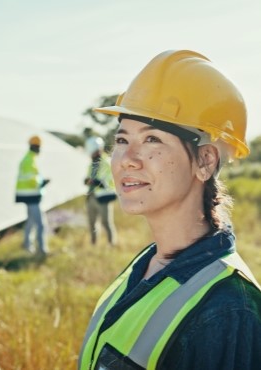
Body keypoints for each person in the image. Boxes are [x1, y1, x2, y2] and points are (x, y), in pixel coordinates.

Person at [78, 50, 261, 370]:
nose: (127, 159)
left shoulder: (228, 310)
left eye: (152, 139)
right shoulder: (145, 262)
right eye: (122, 139)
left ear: (205, 161)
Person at [15, 135, 50, 255]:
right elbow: (32, 180)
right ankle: (42, 250)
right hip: (31, 197)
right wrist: (42, 182)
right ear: (36, 147)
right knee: (40, 224)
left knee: (30, 221)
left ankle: (26, 244)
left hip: (29, 196)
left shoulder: (29, 159)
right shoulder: (29, 160)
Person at [84, 135, 117, 246]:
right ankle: (94, 243)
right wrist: (87, 181)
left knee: (106, 223)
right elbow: (90, 177)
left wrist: (99, 183)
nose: (92, 154)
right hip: (92, 196)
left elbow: (111, 182)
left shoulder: (106, 163)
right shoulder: (91, 164)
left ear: (99, 150)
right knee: (92, 223)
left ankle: (111, 244)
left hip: (103, 198)